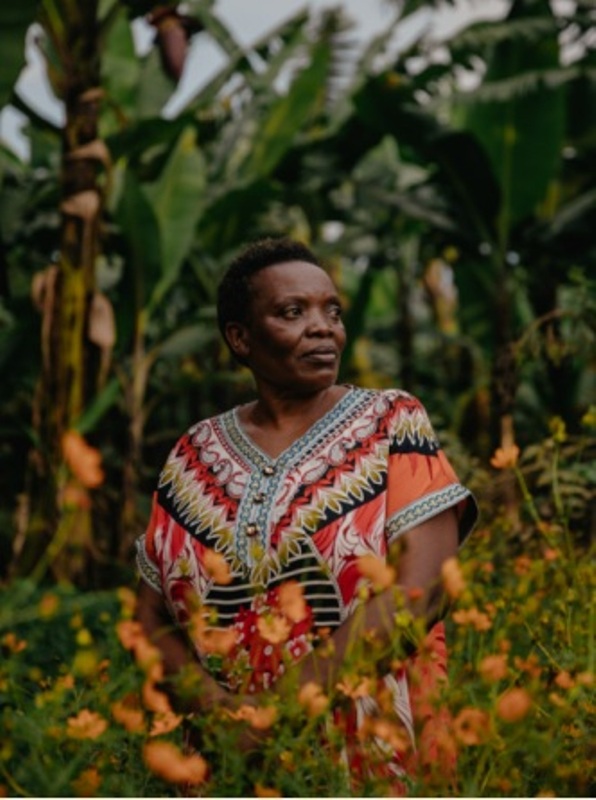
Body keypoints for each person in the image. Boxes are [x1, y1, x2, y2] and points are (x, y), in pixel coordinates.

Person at [135, 237, 478, 794]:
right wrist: (222, 713)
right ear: (240, 338)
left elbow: (423, 590)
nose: (324, 328)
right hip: (227, 768)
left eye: (332, 311)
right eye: (293, 312)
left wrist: (276, 715)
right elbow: (150, 619)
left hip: (374, 758)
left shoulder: (391, 422)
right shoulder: (191, 454)